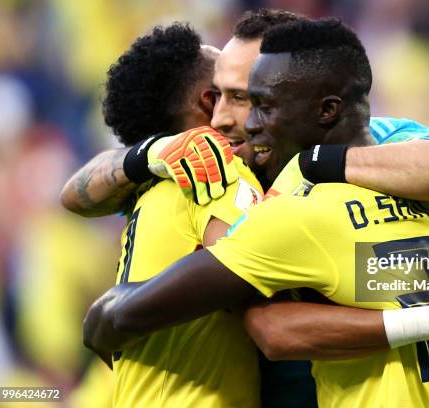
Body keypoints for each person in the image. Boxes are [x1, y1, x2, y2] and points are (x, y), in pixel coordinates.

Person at [83, 18, 429, 407]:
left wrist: (308, 167)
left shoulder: (302, 211)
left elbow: (115, 321)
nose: (237, 120)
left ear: (322, 109)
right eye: (219, 98)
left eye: (253, 101)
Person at [85, 24, 264, 407]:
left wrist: (117, 310)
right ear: (210, 101)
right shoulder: (217, 172)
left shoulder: (148, 188)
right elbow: (259, 287)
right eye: (236, 90)